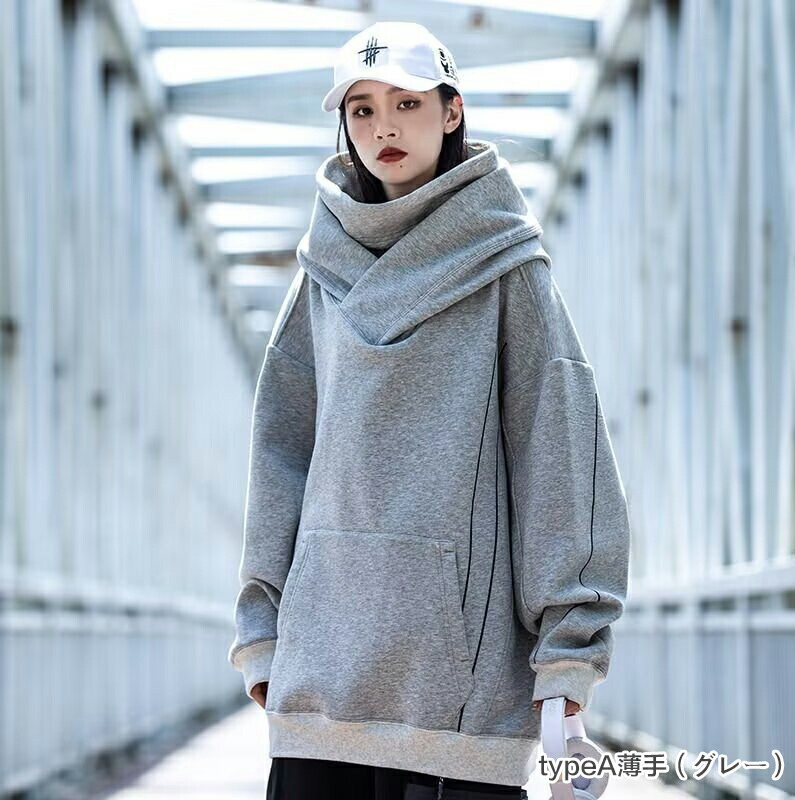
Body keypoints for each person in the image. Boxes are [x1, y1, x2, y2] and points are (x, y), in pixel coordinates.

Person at [227, 20, 631, 800]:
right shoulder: (318, 273)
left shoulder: (507, 267)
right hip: (322, 688)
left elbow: (559, 452)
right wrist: (261, 630)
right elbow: (280, 454)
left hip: (459, 704)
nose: (384, 127)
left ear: (451, 111)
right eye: (363, 109)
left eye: (407, 103)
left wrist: (569, 654)